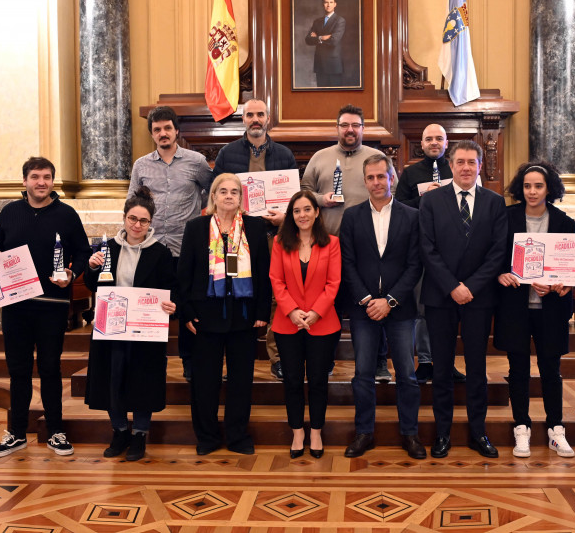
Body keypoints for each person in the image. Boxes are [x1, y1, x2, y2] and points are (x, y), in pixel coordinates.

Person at [0, 157, 91, 458]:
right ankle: (16, 433)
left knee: (49, 368)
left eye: (46, 177)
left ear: (53, 182)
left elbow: (83, 251)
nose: (40, 182)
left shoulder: (67, 215)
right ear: (24, 182)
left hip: (52, 307)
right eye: (35, 177)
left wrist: (72, 274)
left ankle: (55, 431)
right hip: (16, 307)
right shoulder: (9, 212)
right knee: (18, 370)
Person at [419, 139, 507, 459]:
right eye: (460, 162)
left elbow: (498, 252)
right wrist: (452, 285)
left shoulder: (495, 202)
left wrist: (470, 286)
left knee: (476, 367)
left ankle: (477, 432)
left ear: (480, 166)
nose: (466, 167)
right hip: (441, 297)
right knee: (441, 368)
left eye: (472, 162)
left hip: (479, 298)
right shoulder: (431, 201)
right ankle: (442, 433)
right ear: (450, 166)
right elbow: (426, 248)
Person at [301, 103, 398, 380]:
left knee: (372, 304)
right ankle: (326, 360)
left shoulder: (377, 157)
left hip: (369, 248)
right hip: (326, 245)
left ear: (363, 129)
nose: (350, 130)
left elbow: (394, 194)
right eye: (345, 125)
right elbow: (304, 193)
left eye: (356, 125)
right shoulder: (320, 157)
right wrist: (323, 199)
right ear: (337, 128)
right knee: (327, 306)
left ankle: (379, 362)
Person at [177, 173, 272, 455]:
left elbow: (264, 273)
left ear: (241, 199)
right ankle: (207, 437)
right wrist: (187, 313)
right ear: (214, 196)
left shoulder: (255, 227)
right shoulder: (196, 228)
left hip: (243, 316)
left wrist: (262, 311)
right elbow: (184, 275)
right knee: (205, 381)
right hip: (205, 317)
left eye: (234, 192)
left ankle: (237, 436)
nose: (229, 196)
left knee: (241, 381)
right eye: (223, 191)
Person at [340, 155, 425, 460]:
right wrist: (366, 299)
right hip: (363, 309)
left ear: (392, 177)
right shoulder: (351, 217)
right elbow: (347, 263)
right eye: (371, 177)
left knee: (406, 373)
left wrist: (389, 301)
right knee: (363, 373)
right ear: (365, 181)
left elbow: (415, 266)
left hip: (399, 309)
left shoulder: (411, 216)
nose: (376, 182)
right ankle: (364, 433)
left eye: (381, 176)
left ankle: (410, 434)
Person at [84, 187, 178, 461]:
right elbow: (92, 285)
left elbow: (171, 289)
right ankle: (119, 430)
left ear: (151, 224)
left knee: (142, 381)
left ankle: (139, 434)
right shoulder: (106, 248)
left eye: (143, 221)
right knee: (112, 380)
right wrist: (91, 267)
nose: (137, 225)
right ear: (124, 219)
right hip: (111, 328)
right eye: (132, 219)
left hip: (145, 330)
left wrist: (173, 306)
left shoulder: (160, 253)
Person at [494, 162, 575, 459]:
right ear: (521, 188)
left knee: (551, 370)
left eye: (538, 186)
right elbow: (495, 258)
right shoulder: (506, 217)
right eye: (527, 185)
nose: (532, 191)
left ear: (549, 188)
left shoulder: (565, 222)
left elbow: (572, 269)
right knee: (518, 370)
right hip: (515, 307)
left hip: (551, 309)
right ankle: (522, 428)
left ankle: (556, 428)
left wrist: (559, 283)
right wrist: (500, 274)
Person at [213, 98, 297, 381]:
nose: (255, 119)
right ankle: (232, 356)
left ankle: (278, 357)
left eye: (260, 114)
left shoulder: (284, 154)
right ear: (243, 119)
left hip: (274, 235)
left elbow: (293, 200)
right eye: (250, 115)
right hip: (237, 236)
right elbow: (217, 193)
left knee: (276, 294)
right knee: (233, 288)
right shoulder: (227, 154)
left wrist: (284, 218)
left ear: (268, 117)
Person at [129, 105, 212, 381]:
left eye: (167, 128)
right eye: (157, 130)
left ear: (177, 130)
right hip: (151, 248)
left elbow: (209, 194)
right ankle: (153, 365)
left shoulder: (197, 161)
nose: (162, 133)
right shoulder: (141, 165)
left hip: (185, 247)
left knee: (187, 306)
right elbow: (133, 202)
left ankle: (189, 364)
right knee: (153, 307)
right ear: (152, 134)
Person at [269, 190, 341, 459]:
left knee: (319, 380)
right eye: (297, 210)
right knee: (292, 380)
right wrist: (293, 311)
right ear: (292, 215)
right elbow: (276, 281)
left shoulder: (331, 243)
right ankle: (298, 430)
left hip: (322, 324)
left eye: (307, 209)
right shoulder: (280, 242)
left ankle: (316, 431)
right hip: (288, 324)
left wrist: (315, 313)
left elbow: (333, 283)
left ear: (317, 212)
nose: (302, 215)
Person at [394, 123, 466, 385]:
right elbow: (399, 207)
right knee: (424, 310)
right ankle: (425, 362)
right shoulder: (411, 173)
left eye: (439, 138)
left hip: (453, 252)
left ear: (446, 143)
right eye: (428, 139)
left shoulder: (457, 169)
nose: (434, 143)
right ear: (421, 144)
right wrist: (426, 200)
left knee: (450, 310)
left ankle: (447, 363)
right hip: (420, 250)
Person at [305, 0, 346, 87]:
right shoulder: (317, 21)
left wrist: (317, 37)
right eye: (326, 2)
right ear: (323, 4)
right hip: (320, 65)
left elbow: (334, 41)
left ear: (335, 4)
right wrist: (323, 37)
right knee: (321, 97)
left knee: (335, 96)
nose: (328, 5)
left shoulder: (340, 20)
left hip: (333, 65)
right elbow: (308, 40)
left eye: (331, 2)